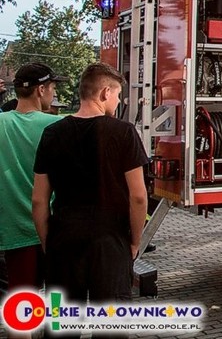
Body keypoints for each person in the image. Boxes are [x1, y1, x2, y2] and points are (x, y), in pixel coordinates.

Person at [32, 62, 149, 302]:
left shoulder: (52, 133)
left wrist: (48, 243)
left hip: (64, 238)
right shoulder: (123, 132)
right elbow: (138, 197)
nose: (117, 102)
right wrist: (135, 242)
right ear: (105, 93)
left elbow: (38, 200)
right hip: (110, 240)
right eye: (117, 95)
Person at [0, 64, 65, 302]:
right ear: (41, 90)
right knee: (59, 302)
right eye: (52, 88)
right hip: (55, 228)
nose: (53, 94)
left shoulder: (1, 123)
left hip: (15, 230)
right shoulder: (56, 127)